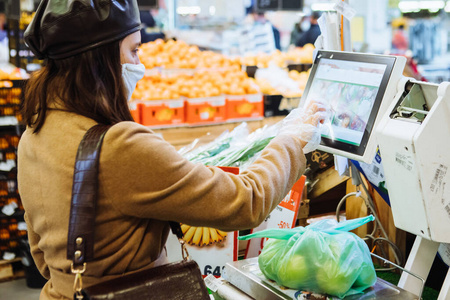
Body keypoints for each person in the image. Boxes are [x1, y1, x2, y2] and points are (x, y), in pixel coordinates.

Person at [18, 1, 326, 299]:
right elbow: (246, 200)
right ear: (101, 61)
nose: (140, 64)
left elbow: (42, 256)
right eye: (134, 50)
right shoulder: (119, 145)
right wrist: (291, 139)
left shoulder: (34, 134)